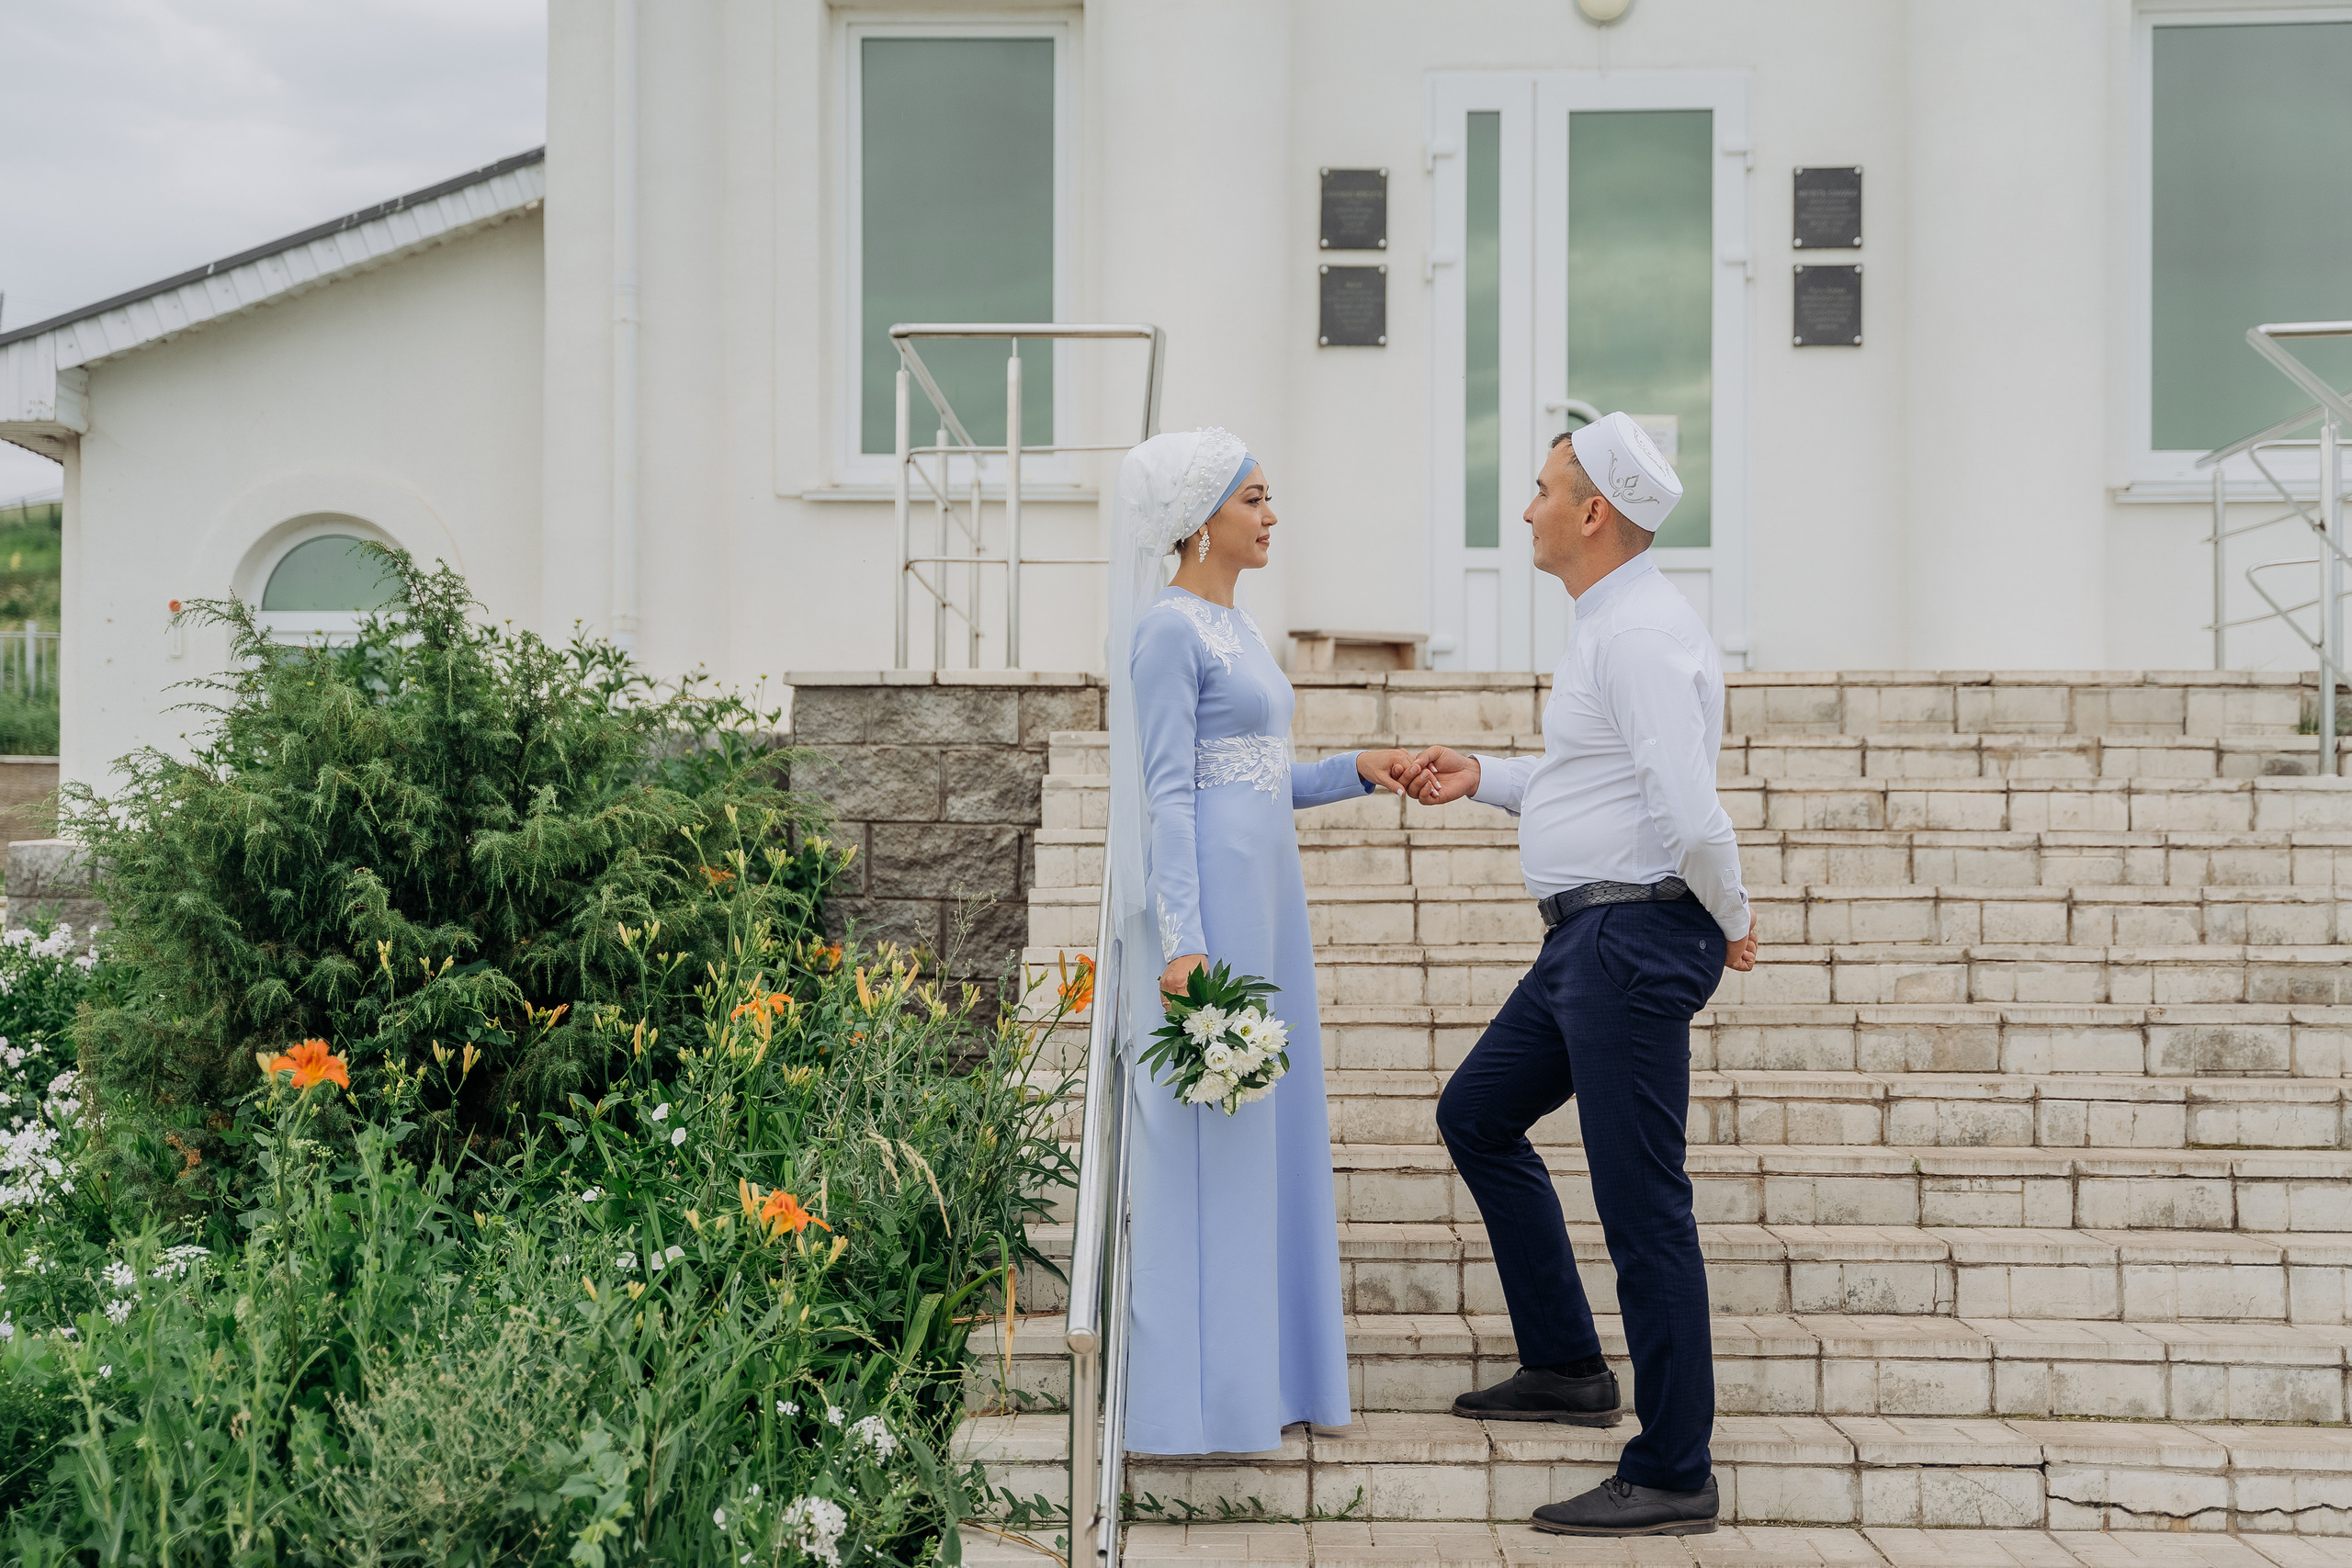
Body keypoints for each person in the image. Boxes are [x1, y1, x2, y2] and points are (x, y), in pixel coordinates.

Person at [1399, 412, 1758, 1538]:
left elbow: (1685, 806)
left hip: (1629, 943)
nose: (1527, 508)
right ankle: (1564, 1365)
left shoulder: (1640, 632)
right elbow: (1592, 777)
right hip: (1586, 943)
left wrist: (1731, 916)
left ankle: (1671, 1470)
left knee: (1644, 1206)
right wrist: (1490, 776)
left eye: (1543, 488)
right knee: (1477, 1114)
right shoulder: (1610, 622)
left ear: (1593, 511)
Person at [1104, 428, 1415, 1454]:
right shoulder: (1166, 632)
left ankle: (1267, 1378)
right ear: (1201, 518)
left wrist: (1353, 768)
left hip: (1268, 898)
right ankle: (1199, 1400)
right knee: (1213, 1139)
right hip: (1212, 916)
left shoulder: (1240, 631)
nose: (1271, 514)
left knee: (1265, 1133)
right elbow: (1167, 794)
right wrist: (1184, 941)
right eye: (1255, 498)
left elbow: (1254, 776)